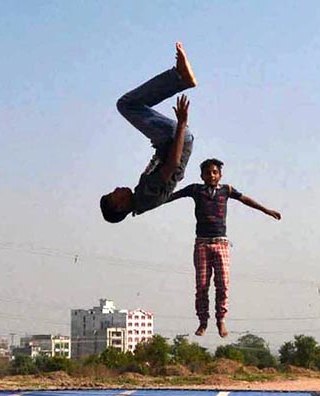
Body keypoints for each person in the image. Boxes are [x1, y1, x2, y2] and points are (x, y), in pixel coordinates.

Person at [167, 158, 281, 337]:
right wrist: (149, 203)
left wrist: (266, 210)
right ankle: (203, 322)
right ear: (202, 175)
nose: (211, 175)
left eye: (214, 172)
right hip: (202, 244)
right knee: (202, 285)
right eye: (208, 173)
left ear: (220, 175)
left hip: (221, 243)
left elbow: (245, 200)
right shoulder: (195, 189)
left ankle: (221, 320)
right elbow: (172, 196)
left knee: (222, 284)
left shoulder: (226, 190)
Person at [100, 42, 196, 223]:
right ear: (119, 206)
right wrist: (182, 124)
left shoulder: (141, 198)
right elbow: (173, 165)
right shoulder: (146, 195)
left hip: (169, 141)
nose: (117, 188)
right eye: (115, 194)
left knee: (131, 105)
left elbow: (168, 171)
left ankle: (179, 78)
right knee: (126, 105)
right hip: (175, 138)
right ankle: (179, 78)